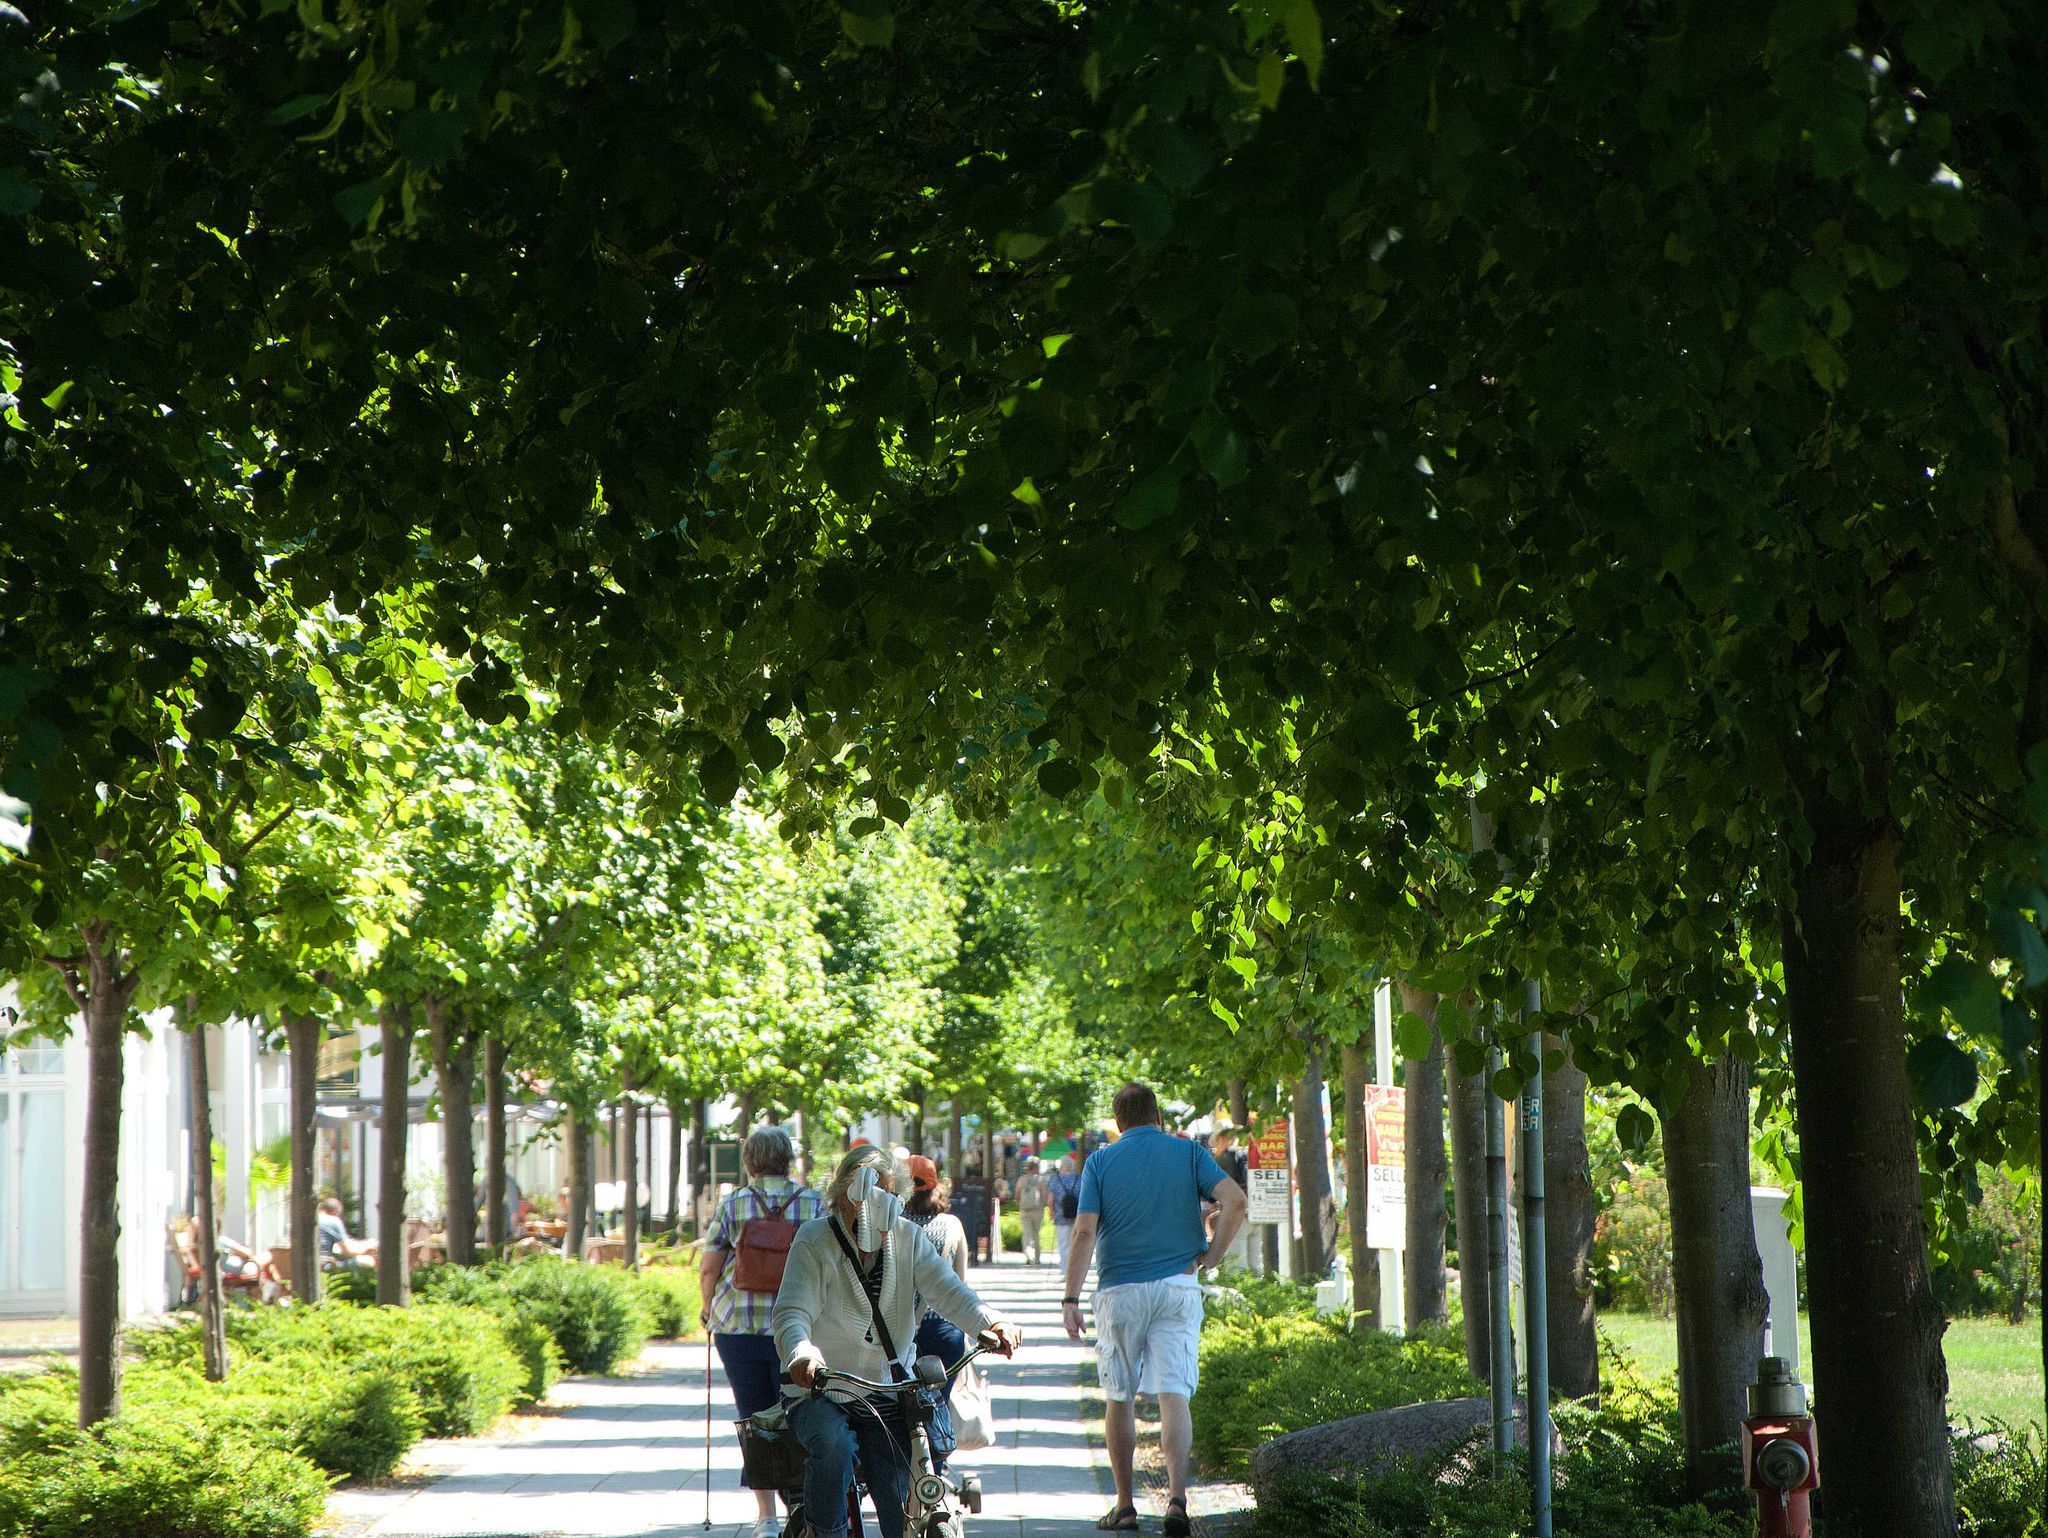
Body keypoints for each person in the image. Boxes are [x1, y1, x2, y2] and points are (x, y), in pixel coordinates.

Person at [775, 1145, 1023, 1538]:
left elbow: (948, 1290)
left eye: (888, 1194)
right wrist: (801, 1353)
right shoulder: (814, 1239)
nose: (876, 1206)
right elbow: (792, 1312)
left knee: (899, 1481)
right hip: (823, 1388)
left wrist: (991, 1321)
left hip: (886, 1389)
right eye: (866, 1193)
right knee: (833, 1446)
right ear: (843, 1196)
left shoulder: (908, 1238)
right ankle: (826, 1532)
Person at [1063, 1083, 1247, 1537]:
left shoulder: (1101, 1162)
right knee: (1174, 1393)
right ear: (1158, 1116)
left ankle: (1125, 1505)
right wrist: (1211, 1255)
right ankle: (1177, 1501)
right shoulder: (1188, 1154)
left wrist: (1070, 1296)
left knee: (1120, 1394)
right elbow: (1237, 1202)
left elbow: (1084, 1232)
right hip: (1178, 1286)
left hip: (1119, 1290)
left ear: (1119, 1122)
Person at [699, 1125, 824, 1538]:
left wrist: (706, 1309)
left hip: (739, 1327)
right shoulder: (813, 1203)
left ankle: (766, 1517)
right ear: (788, 1158)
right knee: (802, 1414)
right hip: (799, 1329)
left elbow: (710, 1265)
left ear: (749, 1159)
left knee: (752, 1418)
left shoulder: (734, 1204)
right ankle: (803, 1505)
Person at [902, 1156, 971, 1450]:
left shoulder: (892, 1227)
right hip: (944, 1332)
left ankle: (905, 1472)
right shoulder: (952, 1226)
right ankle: (934, 1476)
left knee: (900, 1412)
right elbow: (960, 1285)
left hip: (900, 1334)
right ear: (935, 1187)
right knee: (935, 1409)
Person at [1047, 1153, 1084, 1273]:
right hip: (1076, 1216)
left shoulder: (1055, 1180)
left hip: (1060, 1216)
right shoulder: (1079, 1179)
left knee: (1063, 1245)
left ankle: (1065, 1270)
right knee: (1075, 1244)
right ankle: (1075, 1270)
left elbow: (1050, 1199)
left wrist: (1051, 1212)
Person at [316, 1196, 373, 1272]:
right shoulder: (333, 1220)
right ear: (336, 1213)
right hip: (324, 1268)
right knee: (368, 1260)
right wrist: (369, 1245)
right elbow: (349, 1251)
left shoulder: (313, 1219)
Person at [1013, 1158, 1049, 1266]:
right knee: (1036, 1234)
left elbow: (1017, 1195)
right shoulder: (1040, 1180)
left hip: (1025, 1210)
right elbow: (1044, 1195)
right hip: (1037, 1210)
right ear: (1036, 1167)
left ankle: (1029, 1256)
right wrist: (1044, 1205)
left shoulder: (1021, 1179)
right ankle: (1037, 1258)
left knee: (1027, 1234)